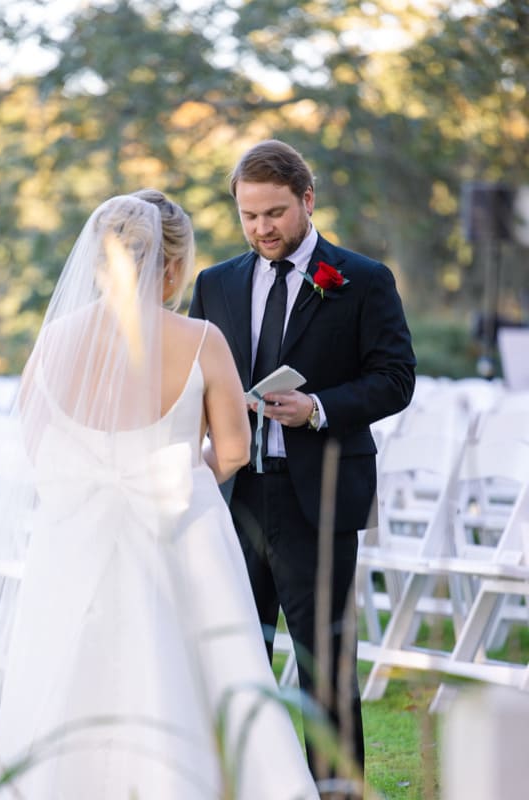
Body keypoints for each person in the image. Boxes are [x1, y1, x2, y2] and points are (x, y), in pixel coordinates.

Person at [0, 191, 318, 798]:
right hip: (180, 535)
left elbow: (39, 452)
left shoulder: (52, 343)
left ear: (95, 262)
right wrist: (179, 473)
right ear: (172, 267)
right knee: (196, 676)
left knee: (69, 675)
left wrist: (102, 478)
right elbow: (238, 451)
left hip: (73, 539)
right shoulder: (201, 340)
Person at [189, 139, 416, 787]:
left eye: (276, 213)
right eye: (250, 215)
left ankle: (335, 788)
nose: (262, 228)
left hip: (319, 497)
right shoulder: (215, 284)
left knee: (325, 664)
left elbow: (396, 378)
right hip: (232, 498)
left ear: (307, 201)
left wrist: (315, 407)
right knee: (237, 657)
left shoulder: (362, 279)